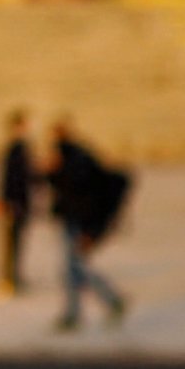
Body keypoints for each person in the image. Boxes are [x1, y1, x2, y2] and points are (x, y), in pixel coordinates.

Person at [47, 117, 131, 331]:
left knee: (74, 269)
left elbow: (84, 196)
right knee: (73, 270)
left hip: (78, 223)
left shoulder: (76, 160)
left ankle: (106, 302)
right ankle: (84, 310)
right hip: (73, 221)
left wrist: (90, 231)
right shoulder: (73, 158)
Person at [0, 110, 40, 296]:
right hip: (16, 203)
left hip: (21, 202)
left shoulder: (23, 148)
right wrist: (8, 202)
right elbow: (10, 179)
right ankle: (9, 277)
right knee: (11, 243)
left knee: (17, 242)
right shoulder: (15, 149)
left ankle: (14, 276)